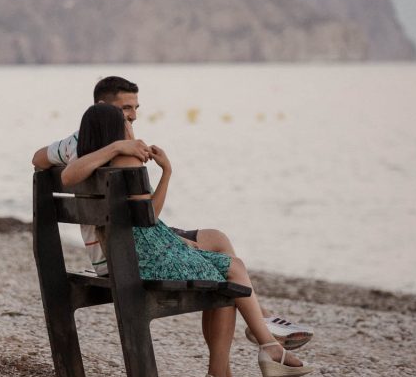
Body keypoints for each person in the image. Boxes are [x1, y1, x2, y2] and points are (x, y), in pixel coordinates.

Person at [63, 103, 314, 377]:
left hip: (132, 251)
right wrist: (165, 170)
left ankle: (235, 369)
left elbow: (81, 182)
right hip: (145, 256)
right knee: (231, 271)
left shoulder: (88, 163)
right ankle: (262, 350)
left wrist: (164, 182)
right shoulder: (124, 158)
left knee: (223, 262)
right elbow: (149, 217)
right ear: (115, 130)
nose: (132, 124)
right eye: (126, 120)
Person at [32, 76, 314, 352]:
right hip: (125, 249)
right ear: (104, 107)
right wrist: (151, 163)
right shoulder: (118, 152)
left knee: (216, 238)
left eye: (135, 109)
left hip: (125, 236)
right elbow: (148, 216)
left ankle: (258, 321)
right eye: (125, 110)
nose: (133, 117)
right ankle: (238, 359)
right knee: (226, 271)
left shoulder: (76, 144)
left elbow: (39, 159)